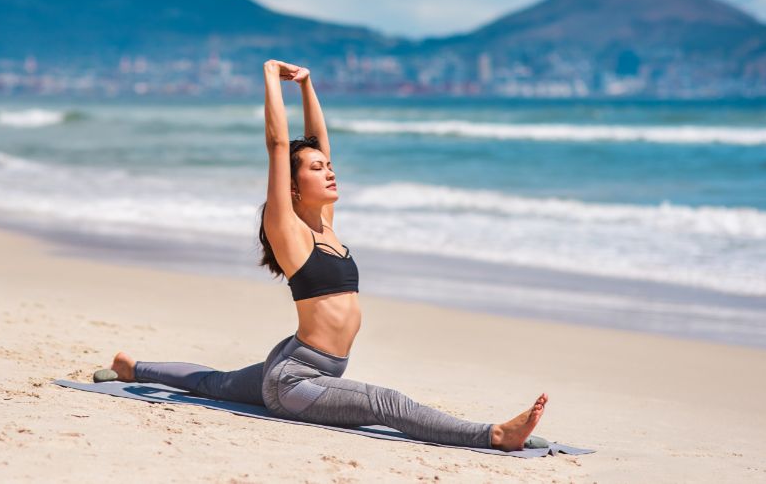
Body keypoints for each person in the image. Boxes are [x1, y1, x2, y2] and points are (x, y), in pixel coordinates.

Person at [94, 60, 548, 451]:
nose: (329, 170)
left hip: (298, 361)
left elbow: (315, 139)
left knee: (216, 384)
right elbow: (278, 145)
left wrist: (307, 86)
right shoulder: (287, 228)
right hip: (295, 380)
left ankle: (131, 367)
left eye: (329, 166)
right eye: (317, 169)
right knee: (384, 403)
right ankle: (492, 435)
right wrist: (271, 76)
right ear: (293, 187)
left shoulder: (324, 224)